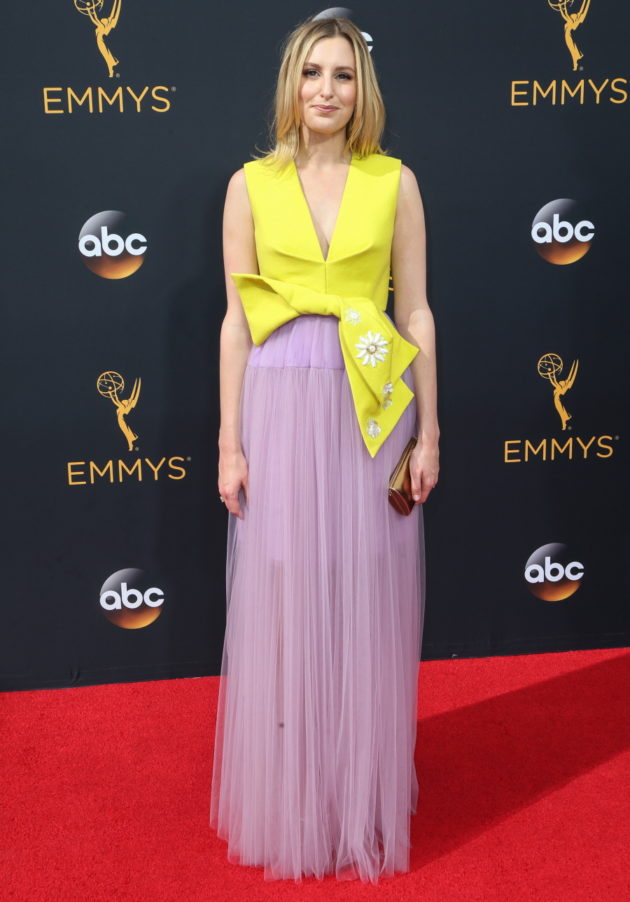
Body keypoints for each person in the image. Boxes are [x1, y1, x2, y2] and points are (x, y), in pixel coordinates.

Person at [210, 14, 439, 884]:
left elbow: (415, 312)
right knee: (288, 599)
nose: (328, 91)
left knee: (364, 592)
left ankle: (356, 794)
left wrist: (431, 430)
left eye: (344, 75)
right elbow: (236, 322)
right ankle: (294, 798)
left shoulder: (396, 183)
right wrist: (230, 442)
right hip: (278, 395)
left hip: (372, 394)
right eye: (313, 73)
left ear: (362, 89)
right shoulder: (249, 185)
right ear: (291, 83)